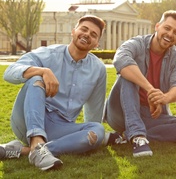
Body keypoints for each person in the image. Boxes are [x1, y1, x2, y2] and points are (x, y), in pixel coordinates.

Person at [0, 15, 107, 170]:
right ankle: (36, 143)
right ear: (73, 31)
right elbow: (9, 72)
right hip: (28, 118)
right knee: (35, 78)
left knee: (98, 130)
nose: (87, 35)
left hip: (59, 127)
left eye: (93, 34)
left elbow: (94, 112)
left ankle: (30, 151)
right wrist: (43, 71)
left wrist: (94, 136)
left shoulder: (98, 69)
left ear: (96, 44)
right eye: (84, 29)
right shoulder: (48, 54)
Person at [104, 10, 176, 158]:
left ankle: (129, 134)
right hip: (120, 111)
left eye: (175, 32)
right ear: (157, 26)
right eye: (167, 28)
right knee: (127, 75)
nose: (170, 34)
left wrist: (163, 99)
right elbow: (121, 60)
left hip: (149, 115)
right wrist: (151, 90)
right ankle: (137, 137)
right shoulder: (136, 44)